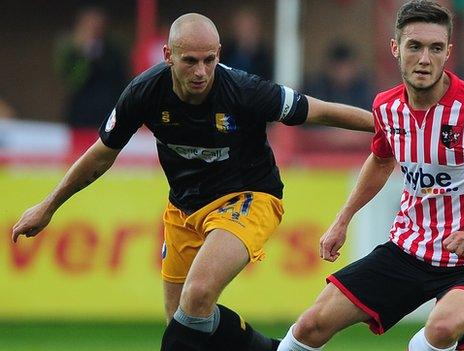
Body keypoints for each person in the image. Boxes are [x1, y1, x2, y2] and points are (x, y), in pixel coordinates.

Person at [12, 13, 373, 351]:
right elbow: (101, 154)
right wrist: (48, 206)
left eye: (209, 60)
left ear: (218, 55)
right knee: (183, 322)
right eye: (190, 61)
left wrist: (387, 124)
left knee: (197, 295)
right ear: (169, 55)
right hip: (184, 208)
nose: (201, 71)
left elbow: (320, 110)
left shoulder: (244, 89)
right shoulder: (144, 92)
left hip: (249, 198)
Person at [277, 1, 464, 351]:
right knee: (311, 324)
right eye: (414, 46)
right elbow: (381, 159)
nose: (424, 59)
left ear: (448, 52)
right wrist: (342, 220)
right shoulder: (386, 107)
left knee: (442, 328)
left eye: (435, 48)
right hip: (408, 249)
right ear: (395, 48)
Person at [55, 6, 129, 128]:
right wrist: (84, 55)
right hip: (80, 114)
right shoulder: (70, 50)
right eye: (90, 26)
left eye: (98, 26)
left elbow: (121, 80)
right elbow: (72, 82)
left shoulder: (113, 50)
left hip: (108, 113)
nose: (94, 30)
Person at [221, 7, 273, 80]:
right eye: (242, 27)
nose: (246, 32)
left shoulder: (265, 57)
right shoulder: (226, 52)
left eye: (250, 28)